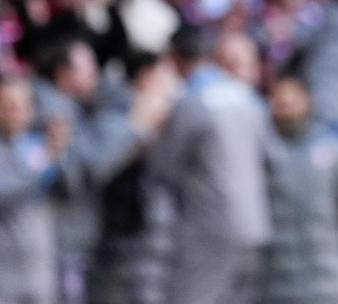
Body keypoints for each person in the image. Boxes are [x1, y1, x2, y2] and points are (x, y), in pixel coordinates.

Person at [32, 39, 175, 304]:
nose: (96, 76)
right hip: (57, 234)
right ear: (63, 75)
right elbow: (84, 173)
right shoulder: (51, 111)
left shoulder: (71, 107)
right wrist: (135, 129)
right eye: (88, 69)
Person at [151, 26, 272, 304]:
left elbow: (164, 167)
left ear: (175, 61)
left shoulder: (191, 101)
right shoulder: (249, 100)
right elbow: (271, 160)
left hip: (209, 228)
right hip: (254, 227)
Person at [258, 73, 338, 304]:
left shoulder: (336, 149)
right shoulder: (260, 149)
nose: (285, 105)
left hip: (330, 281)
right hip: (274, 283)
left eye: (292, 98)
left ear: (307, 100)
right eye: (279, 100)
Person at [0, 73, 62, 304]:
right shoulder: (44, 156)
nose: (15, 112)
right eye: (8, 105)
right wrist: (45, 167)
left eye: (21, 105)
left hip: (40, 267)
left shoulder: (38, 145)